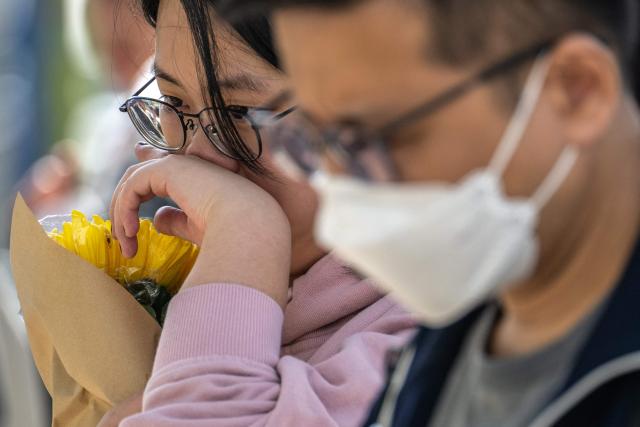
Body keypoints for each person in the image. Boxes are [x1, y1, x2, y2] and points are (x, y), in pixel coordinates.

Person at [217, 0, 640, 426]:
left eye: (368, 139)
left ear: (577, 89)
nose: (337, 188)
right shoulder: (453, 326)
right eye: (313, 138)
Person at [101, 0, 416, 425]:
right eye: (173, 99)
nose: (194, 158)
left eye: (239, 113)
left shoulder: (424, 332)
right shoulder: (196, 279)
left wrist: (247, 232)